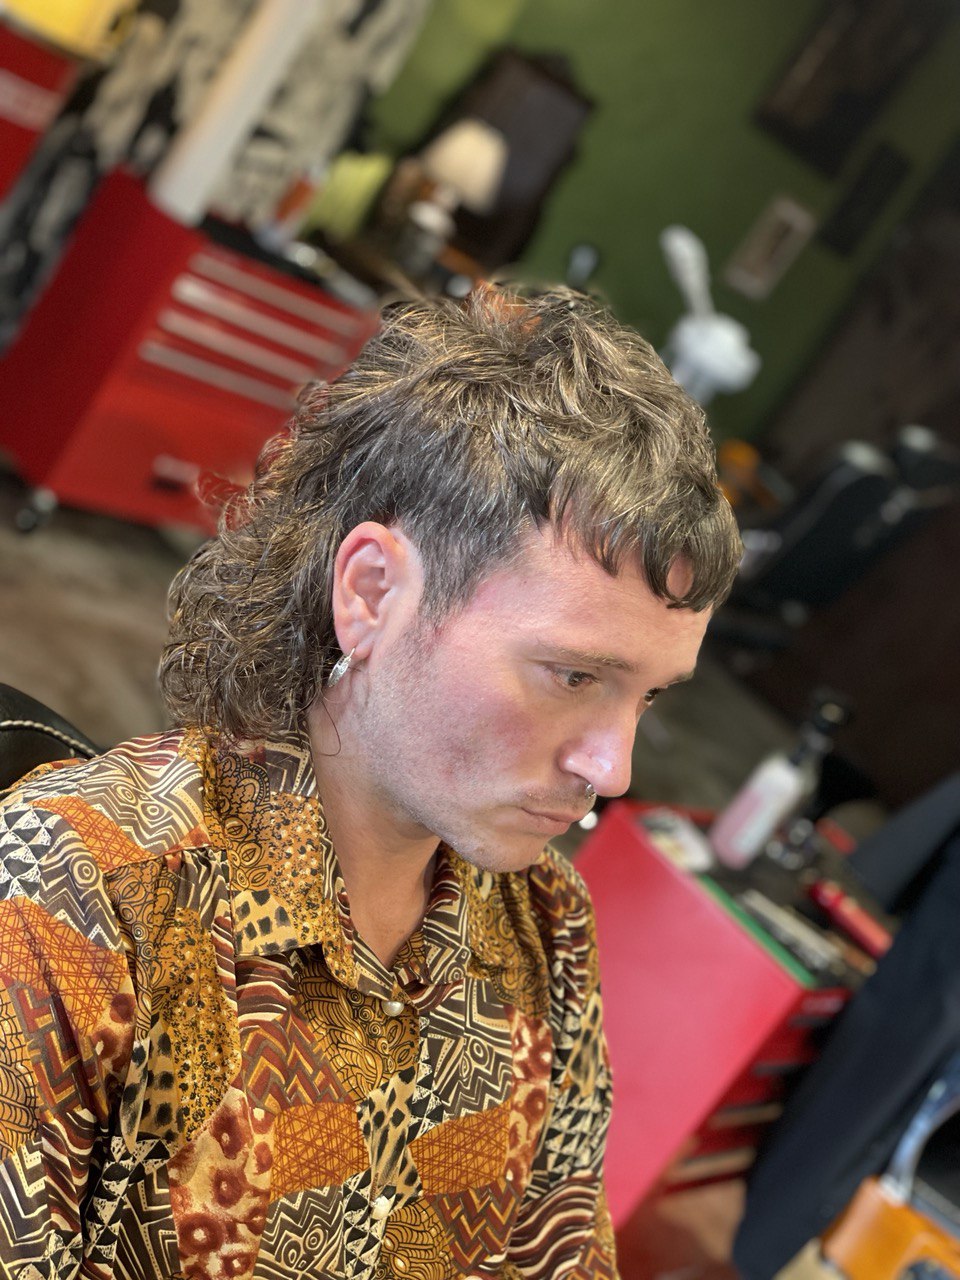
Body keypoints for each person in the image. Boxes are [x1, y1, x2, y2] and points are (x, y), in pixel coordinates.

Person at [0, 285, 741, 1280]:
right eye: (572, 676)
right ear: (372, 592)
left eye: (646, 696)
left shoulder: (546, 925)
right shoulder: (84, 896)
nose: (613, 768)